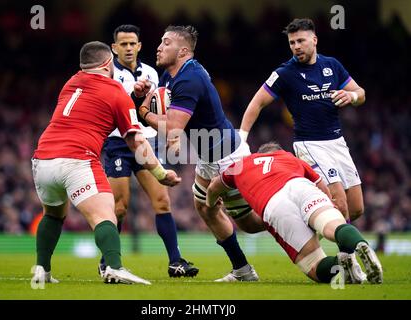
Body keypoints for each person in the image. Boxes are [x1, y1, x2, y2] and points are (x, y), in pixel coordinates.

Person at [30, 41, 181, 285]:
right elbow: (135, 141)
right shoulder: (114, 90)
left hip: (42, 159)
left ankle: (42, 269)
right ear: (108, 63)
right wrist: (160, 173)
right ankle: (114, 267)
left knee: (54, 214)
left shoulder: (70, 83)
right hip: (77, 159)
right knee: (104, 216)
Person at [137, 25, 264, 282]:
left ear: (183, 50)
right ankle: (242, 270)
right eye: (160, 42)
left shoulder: (189, 78)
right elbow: (173, 125)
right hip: (208, 156)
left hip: (229, 157)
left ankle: (304, 218)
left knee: (251, 224)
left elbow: (172, 125)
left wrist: (144, 112)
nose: (159, 47)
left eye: (166, 42)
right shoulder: (171, 76)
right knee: (205, 207)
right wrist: (143, 95)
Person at [239, 18, 365, 223]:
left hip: (337, 142)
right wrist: (242, 137)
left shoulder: (332, 65)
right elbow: (257, 103)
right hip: (310, 144)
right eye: (292, 43)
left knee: (356, 208)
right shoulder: (285, 73)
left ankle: (304, 222)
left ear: (314, 40)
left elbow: (361, 93)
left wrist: (352, 96)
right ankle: (346, 254)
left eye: (300, 41)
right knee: (339, 204)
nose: (296, 47)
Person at [99, 24, 199, 278]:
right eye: (123, 44)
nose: (129, 48)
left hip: (147, 142)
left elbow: (161, 106)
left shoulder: (153, 73)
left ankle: (175, 261)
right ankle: (108, 262)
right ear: (114, 48)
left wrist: (170, 134)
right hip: (118, 142)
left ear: (140, 45)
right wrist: (134, 95)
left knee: (162, 201)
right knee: (120, 207)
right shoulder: (109, 74)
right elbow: (113, 112)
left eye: (133, 43)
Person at [206, 142, 383, 284]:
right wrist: (328, 209)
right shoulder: (290, 157)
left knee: (312, 263)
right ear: (278, 151)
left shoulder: (241, 164)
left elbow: (214, 187)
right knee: (332, 226)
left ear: (258, 154)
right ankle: (361, 245)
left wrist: (211, 203)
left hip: (274, 203)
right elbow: (322, 187)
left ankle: (341, 265)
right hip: (300, 185)